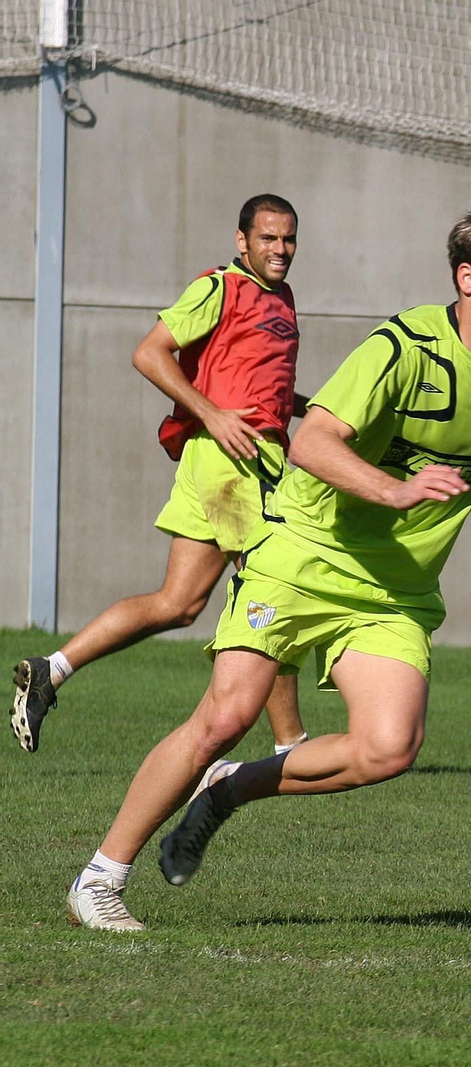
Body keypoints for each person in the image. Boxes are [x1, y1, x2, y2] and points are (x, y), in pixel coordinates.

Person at [64, 201, 471, 931]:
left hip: (394, 585)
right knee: (228, 713)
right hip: (301, 551)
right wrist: (396, 488)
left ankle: (229, 791)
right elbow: (314, 444)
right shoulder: (401, 349)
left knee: (388, 747)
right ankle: (100, 878)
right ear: (468, 278)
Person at [12, 194, 310, 757]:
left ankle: (51, 669)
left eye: (289, 238)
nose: (280, 248)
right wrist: (212, 414)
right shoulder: (219, 286)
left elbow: (248, 379)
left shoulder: (282, 297)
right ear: (242, 240)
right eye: (268, 238)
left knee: (179, 603)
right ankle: (290, 745)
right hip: (232, 461)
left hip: (242, 456)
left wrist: (304, 407)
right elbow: (150, 353)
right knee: (273, 585)